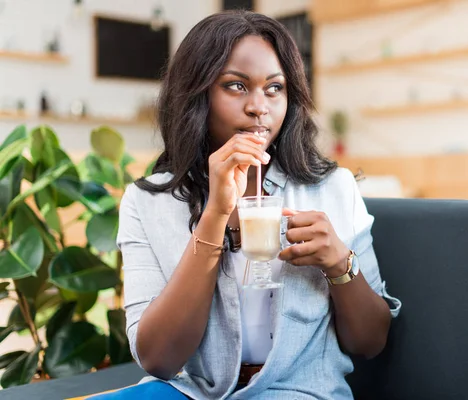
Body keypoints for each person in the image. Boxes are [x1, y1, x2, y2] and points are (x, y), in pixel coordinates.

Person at [92, 10, 400, 400]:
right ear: (195, 94)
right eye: (236, 86)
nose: (259, 107)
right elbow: (158, 358)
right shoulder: (148, 201)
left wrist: (340, 264)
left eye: (274, 88)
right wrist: (215, 215)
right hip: (187, 392)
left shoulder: (332, 189)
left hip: (296, 392)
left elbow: (370, 342)